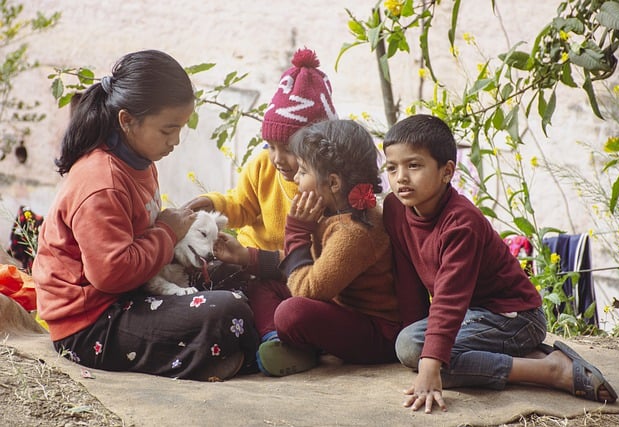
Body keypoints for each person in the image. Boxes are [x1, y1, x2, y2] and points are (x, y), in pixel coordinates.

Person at [31, 50, 259, 382]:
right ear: (127, 120)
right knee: (227, 310)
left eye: (179, 129)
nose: (175, 141)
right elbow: (111, 274)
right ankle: (238, 352)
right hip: (91, 324)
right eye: (168, 130)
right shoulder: (101, 184)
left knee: (234, 272)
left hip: (133, 291)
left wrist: (179, 237)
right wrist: (167, 232)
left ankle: (232, 352)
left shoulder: (140, 161)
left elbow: (142, 239)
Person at [382, 114, 618, 413]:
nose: (400, 176)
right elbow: (408, 279)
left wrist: (428, 364)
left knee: (415, 349)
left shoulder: (460, 222)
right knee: (412, 344)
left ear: (446, 172)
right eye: (392, 167)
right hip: (475, 317)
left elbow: (450, 298)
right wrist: (414, 331)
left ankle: (552, 371)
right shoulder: (394, 208)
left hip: (514, 317)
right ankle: (532, 357)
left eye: (413, 165)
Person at [214, 119, 402, 376]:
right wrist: (247, 256)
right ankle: (275, 340)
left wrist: (296, 231)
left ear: (333, 183)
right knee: (260, 283)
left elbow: (306, 289)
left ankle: (300, 345)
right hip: (336, 305)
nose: (297, 181)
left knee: (292, 312)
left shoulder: (355, 232)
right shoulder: (334, 212)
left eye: (303, 172)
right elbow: (307, 267)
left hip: (375, 334)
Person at [183, 47, 337, 257]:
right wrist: (214, 204)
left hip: (293, 267)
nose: (277, 158)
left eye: (289, 149)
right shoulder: (262, 165)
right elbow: (241, 205)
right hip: (245, 256)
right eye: (271, 146)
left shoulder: (328, 187)